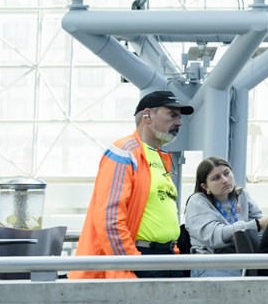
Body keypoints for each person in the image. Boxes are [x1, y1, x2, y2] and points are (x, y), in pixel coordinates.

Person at [75, 89, 195, 279]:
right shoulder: (124, 152)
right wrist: (131, 263)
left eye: (179, 117)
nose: (179, 122)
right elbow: (109, 218)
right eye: (172, 115)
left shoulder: (159, 157)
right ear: (147, 115)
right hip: (142, 260)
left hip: (166, 258)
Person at [180, 156, 266, 279]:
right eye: (216, 178)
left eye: (227, 173)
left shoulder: (242, 195)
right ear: (205, 186)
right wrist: (256, 225)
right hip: (211, 264)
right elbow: (215, 236)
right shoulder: (197, 202)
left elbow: (261, 230)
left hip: (242, 260)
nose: (225, 180)